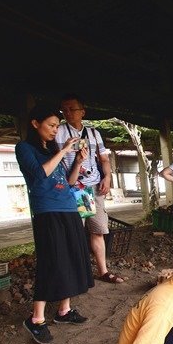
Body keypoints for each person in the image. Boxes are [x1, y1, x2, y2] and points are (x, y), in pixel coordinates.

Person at [16, 105, 94, 344]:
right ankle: (36, 319)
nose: (54, 130)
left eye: (57, 126)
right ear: (35, 124)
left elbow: (69, 182)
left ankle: (63, 311)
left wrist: (78, 162)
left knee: (70, 258)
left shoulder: (50, 148)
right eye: (51, 125)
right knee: (52, 259)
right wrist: (63, 151)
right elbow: (40, 175)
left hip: (68, 208)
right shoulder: (25, 148)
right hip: (47, 211)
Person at [57, 94, 124, 284]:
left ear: (82, 112)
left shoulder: (94, 133)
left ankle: (103, 271)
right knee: (76, 232)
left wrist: (108, 178)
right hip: (74, 189)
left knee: (98, 230)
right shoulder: (59, 132)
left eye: (72, 108)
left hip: (93, 187)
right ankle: (78, 273)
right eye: (64, 109)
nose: (67, 112)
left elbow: (103, 158)